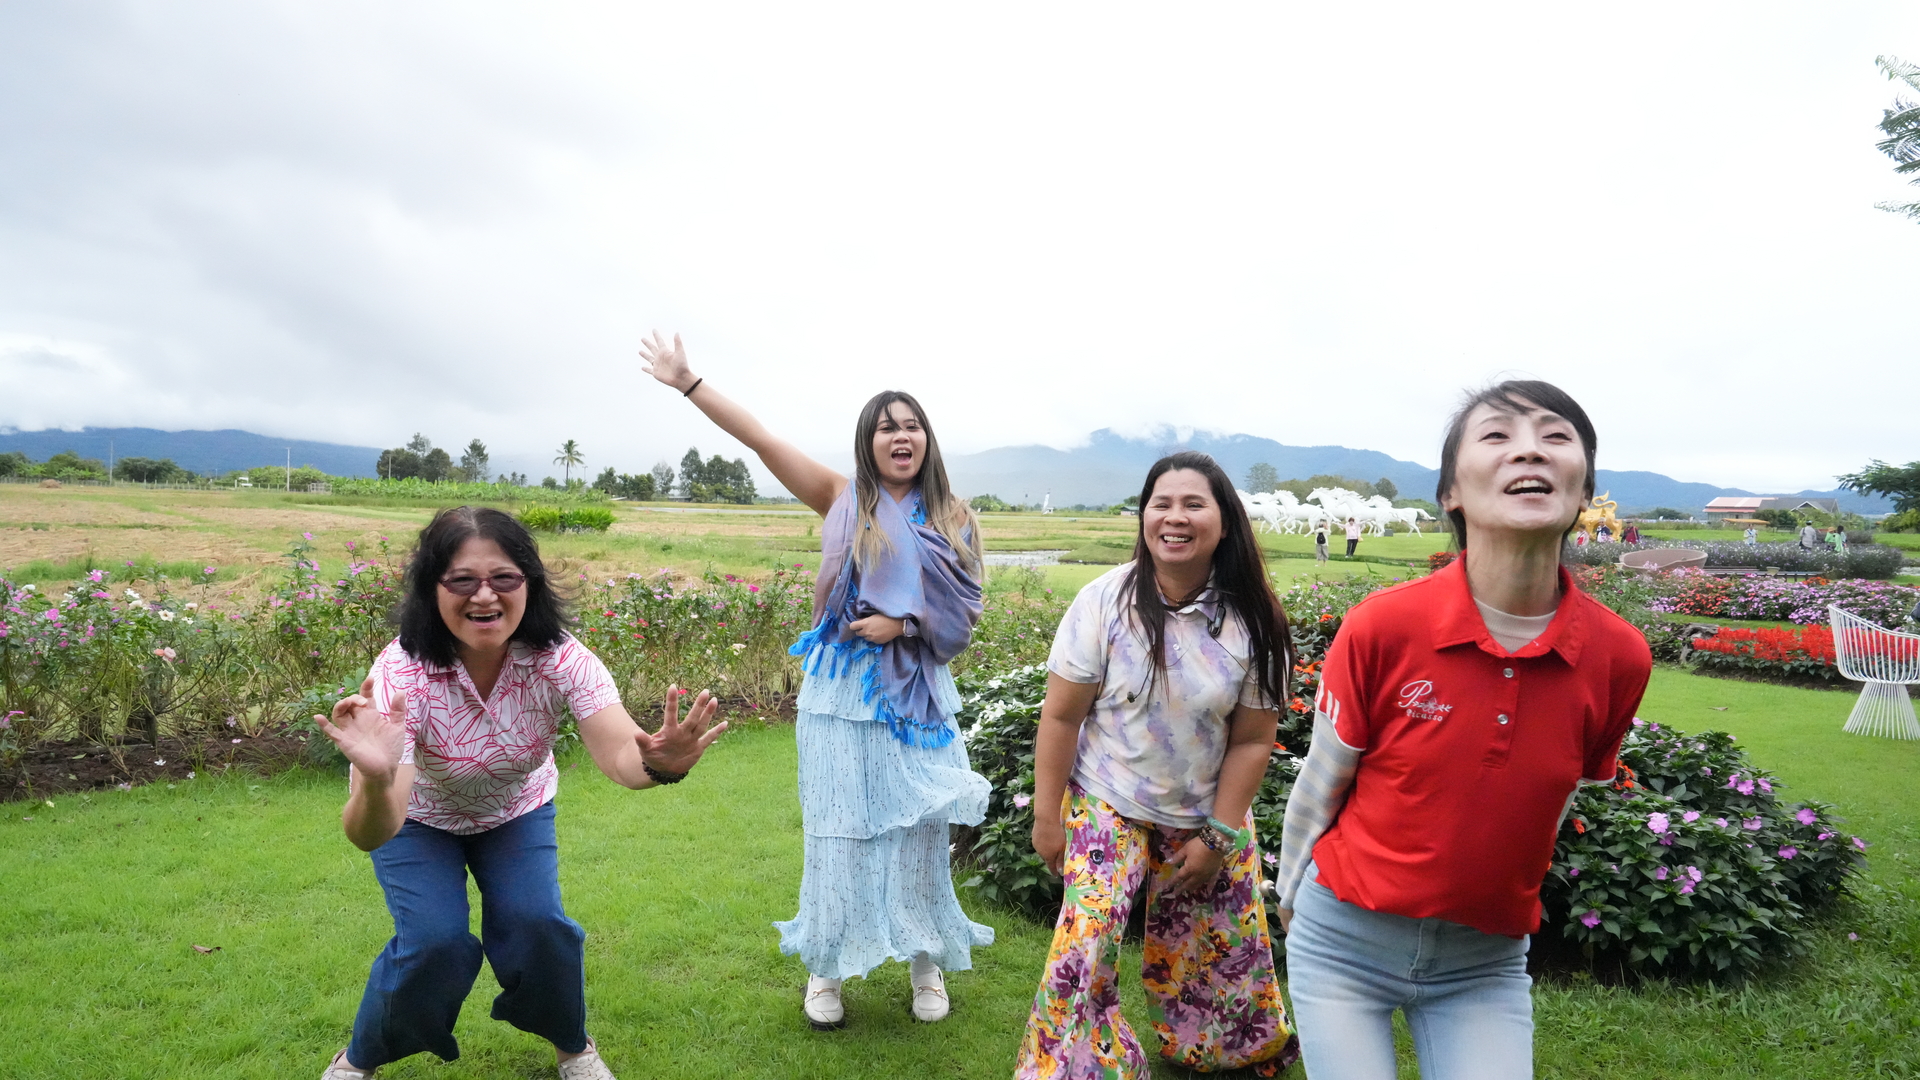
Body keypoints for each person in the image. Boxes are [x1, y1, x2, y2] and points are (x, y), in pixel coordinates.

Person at [1274, 380, 1652, 1080]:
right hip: (1342, 944)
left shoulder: (1619, 656)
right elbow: (1323, 779)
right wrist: (1290, 895)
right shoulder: (1385, 625)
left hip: (1484, 965)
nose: (1530, 450)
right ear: (1451, 491)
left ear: (1584, 488)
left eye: (1556, 436)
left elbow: (1556, 800)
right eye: (1498, 435)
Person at [638, 331, 991, 1030]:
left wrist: (905, 624)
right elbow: (761, 441)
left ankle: (925, 963)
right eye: (886, 427)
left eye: (912, 425)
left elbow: (962, 617)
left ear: (927, 439)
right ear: (867, 442)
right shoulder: (840, 496)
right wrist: (688, 382)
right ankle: (825, 969)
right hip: (838, 696)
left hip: (916, 699)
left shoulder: (955, 516)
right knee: (837, 830)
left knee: (921, 832)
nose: (901, 436)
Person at [315, 507, 727, 1080]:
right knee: (433, 941)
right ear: (432, 588)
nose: (485, 595)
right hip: (419, 818)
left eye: (503, 577)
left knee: (537, 925)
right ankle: (359, 1059)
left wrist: (660, 764)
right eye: (462, 580)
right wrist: (380, 779)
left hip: (515, 809)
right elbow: (371, 832)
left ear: (529, 584)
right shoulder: (400, 675)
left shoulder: (561, 658)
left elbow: (620, 755)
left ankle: (573, 1048)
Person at [1019, 451, 1298, 1078]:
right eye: (1161, 503)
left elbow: (1253, 741)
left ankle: (1216, 1051)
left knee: (1218, 947)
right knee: (1085, 944)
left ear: (1225, 522)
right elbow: (1061, 717)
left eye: (1194, 504)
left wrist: (1219, 835)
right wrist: (1046, 818)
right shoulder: (1103, 602)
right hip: (1108, 798)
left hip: (1206, 810)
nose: (1175, 517)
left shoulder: (1255, 620)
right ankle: (1076, 1068)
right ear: (1143, 516)